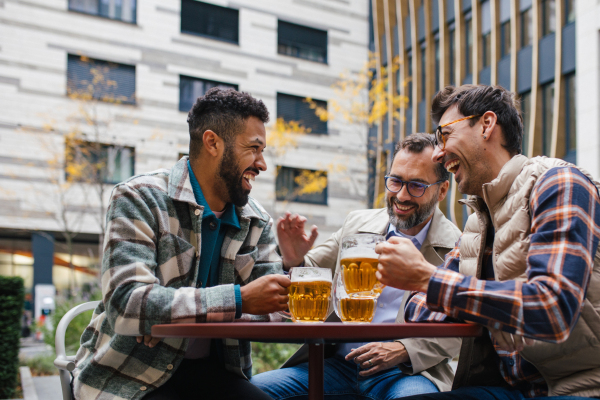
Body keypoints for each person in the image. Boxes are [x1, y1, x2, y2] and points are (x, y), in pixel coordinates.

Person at [375, 85, 600, 400]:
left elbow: (551, 308)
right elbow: (418, 312)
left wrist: (431, 280)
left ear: (487, 124)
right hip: (515, 389)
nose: (438, 153)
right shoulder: (478, 221)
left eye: (444, 136)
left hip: (579, 387)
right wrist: (448, 291)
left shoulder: (559, 184)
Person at [71, 88, 290, 400]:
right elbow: (127, 304)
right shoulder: (139, 197)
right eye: (254, 149)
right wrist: (238, 300)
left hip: (213, 374)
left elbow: (274, 310)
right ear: (213, 142)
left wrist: (171, 317)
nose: (262, 164)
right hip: (129, 372)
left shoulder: (256, 220)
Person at [252, 133, 463, 400]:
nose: (401, 195)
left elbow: (460, 323)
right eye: (395, 181)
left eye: (417, 186)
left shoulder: (457, 245)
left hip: (407, 372)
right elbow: (313, 269)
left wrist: (403, 349)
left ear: (442, 190)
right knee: (254, 391)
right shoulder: (356, 222)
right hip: (337, 364)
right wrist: (294, 260)